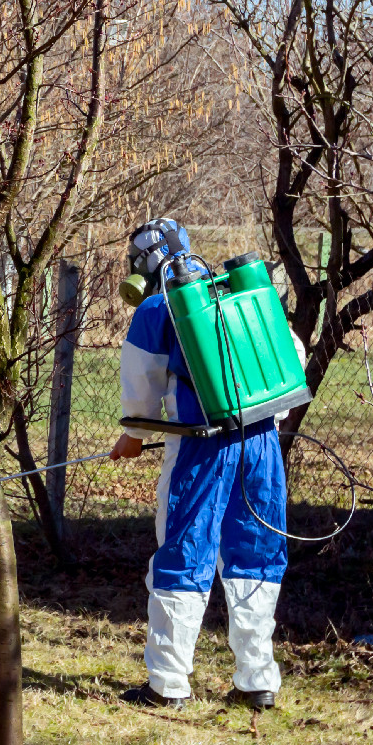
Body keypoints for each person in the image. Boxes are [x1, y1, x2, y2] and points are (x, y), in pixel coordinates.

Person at [110, 218, 287, 710]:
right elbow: (285, 362)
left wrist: (133, 436)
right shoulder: (241, 292)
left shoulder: (154, 309)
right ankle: (258, 682)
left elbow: (140, 393)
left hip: (200, 447)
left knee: (184, 554)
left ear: (142, 265)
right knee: (256, 555)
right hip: (263, 441)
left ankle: (167, 684)